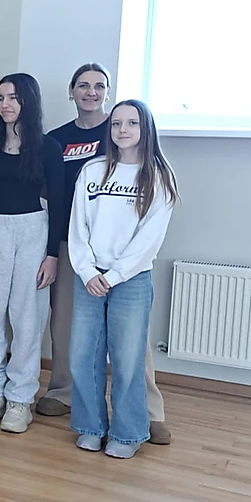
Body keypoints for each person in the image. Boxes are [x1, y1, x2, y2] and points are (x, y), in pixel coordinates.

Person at [40, 64, 171, 444]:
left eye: (99, 86)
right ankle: (70, 400)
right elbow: (56, 196)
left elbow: (150, 232)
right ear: (71, 91)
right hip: (78, 251)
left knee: (130, 345)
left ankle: (146, 414)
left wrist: (115, 273)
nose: (90, 92)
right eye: (82, 85)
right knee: (73, 333)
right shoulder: (59, 142)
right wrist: (81, 263)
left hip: (127, 266)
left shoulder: (131, 148)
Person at [68, 99, 179, 459]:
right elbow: (78, 226)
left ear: (146, 128)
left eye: (132, 123)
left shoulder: (159, 176)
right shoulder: (92, 170)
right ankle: (90, 427)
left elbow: (150, 239)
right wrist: (88, 270)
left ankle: (128, 433)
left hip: (130, 280)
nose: (123, 130)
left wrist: (115, 276)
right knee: (83, 356)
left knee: (128, 360)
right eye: (116, 123)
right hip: (89, 277)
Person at [0, 73, 64, 434]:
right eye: (1, 98)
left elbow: (59, 204)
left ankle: (20, 398)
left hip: (33, 232)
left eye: (14, 98)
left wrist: (52, 255)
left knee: (27, 318)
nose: (6, 105)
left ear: (29, 102)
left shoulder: (48, 148)